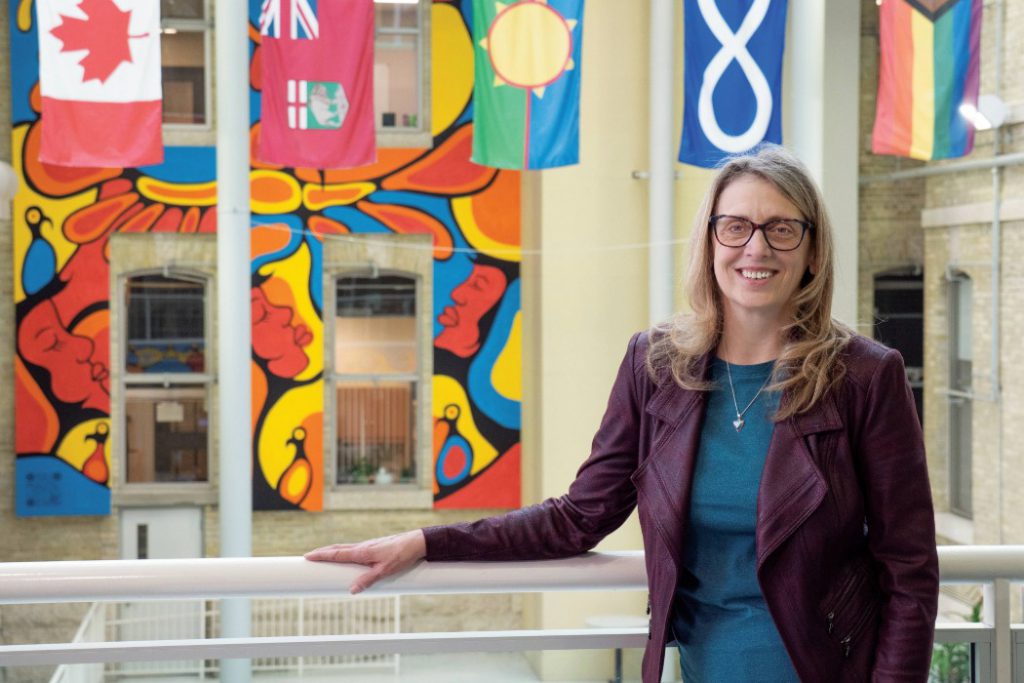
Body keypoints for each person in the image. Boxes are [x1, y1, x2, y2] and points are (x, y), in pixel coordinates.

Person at [306, 145, 939, 682]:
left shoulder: (863, 376)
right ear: (710, 239)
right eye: (735, 226)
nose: (756, 247)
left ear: (810, 248)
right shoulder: (655, 365)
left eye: (781, 228)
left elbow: (908, 569)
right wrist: (425, 542)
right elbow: (580, 517)